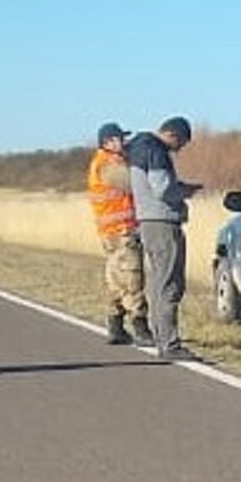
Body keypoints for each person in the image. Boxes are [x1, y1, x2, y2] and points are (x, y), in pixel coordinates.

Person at [126, 116, 201, 361]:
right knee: (169, 283)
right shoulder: (156, 151)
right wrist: (184, 191)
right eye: (181, 143)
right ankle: (169, 343)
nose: (179, 149)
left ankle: (162, 337)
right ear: (173, 135)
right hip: (162, 222)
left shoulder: (139, 148)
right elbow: (163, 189)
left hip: (148, 221)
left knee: (159, 281)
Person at [86, 121, 152, 347]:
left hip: (110, 230)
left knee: (116, 278)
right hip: (121, 230)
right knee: (132, 278)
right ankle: (141, 327)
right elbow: (134, 184)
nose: (123, 143)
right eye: (119, 139)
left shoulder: (101, 162)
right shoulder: (109, 164)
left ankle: (115, 326)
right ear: (108, 142)